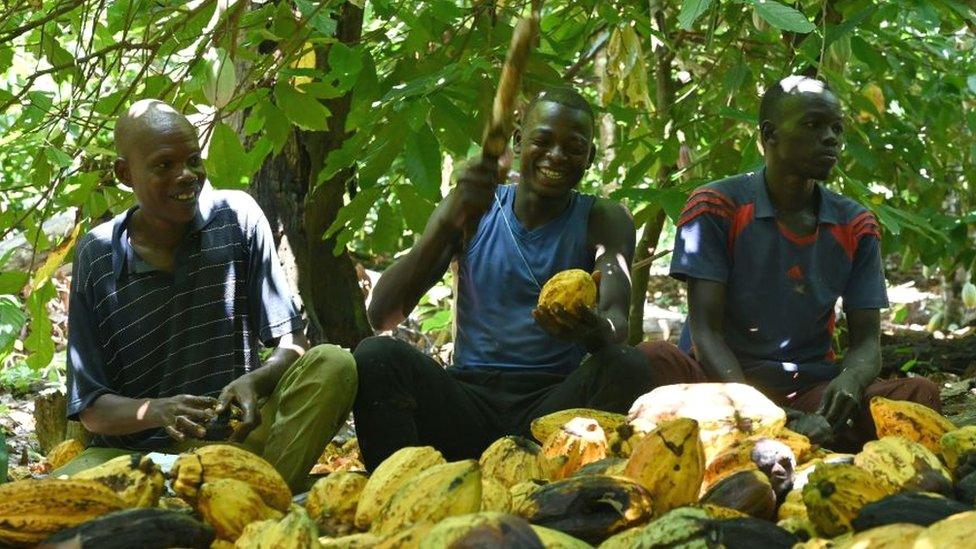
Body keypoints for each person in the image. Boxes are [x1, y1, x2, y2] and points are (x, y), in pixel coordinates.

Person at [353, 87, 660, 471]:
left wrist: (588, 328)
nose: (556, 156)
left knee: (629, 365)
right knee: (376, 356)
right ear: (518, 141)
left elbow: (617, 327)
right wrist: (446, 223)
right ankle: (397, 488)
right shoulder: (475, 208)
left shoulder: (604, 219)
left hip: (553, 415)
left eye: (574, 147)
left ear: (590, 157)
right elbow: (381, 315)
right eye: (542, 141)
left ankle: (575, 486)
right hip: (467, 403)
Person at [60, 100, 357, 490]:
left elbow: (293, 344)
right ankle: (230, 503)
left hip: (237, 446)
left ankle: (257, 498)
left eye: (194, 160)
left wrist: (257, 381)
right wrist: (158, 412)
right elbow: (92, 409)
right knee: (46, 496)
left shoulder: (237, 217)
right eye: (164, 165)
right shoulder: (98, 254)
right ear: (125, 174)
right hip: (136, 461)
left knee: (334, 364)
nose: (186, 176)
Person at [637, 76, 940, 448]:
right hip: (718, 387)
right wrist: (757, 408)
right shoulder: (716, 205)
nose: (831, 138)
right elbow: (706, 333)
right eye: (814, 125)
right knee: (648, 360)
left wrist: (848, 382)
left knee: (918, 394)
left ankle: (791, 436)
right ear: (769, 135)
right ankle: (783, 434)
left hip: (809, 392)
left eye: (836, 128)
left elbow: (866, 343)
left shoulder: (855, 224)